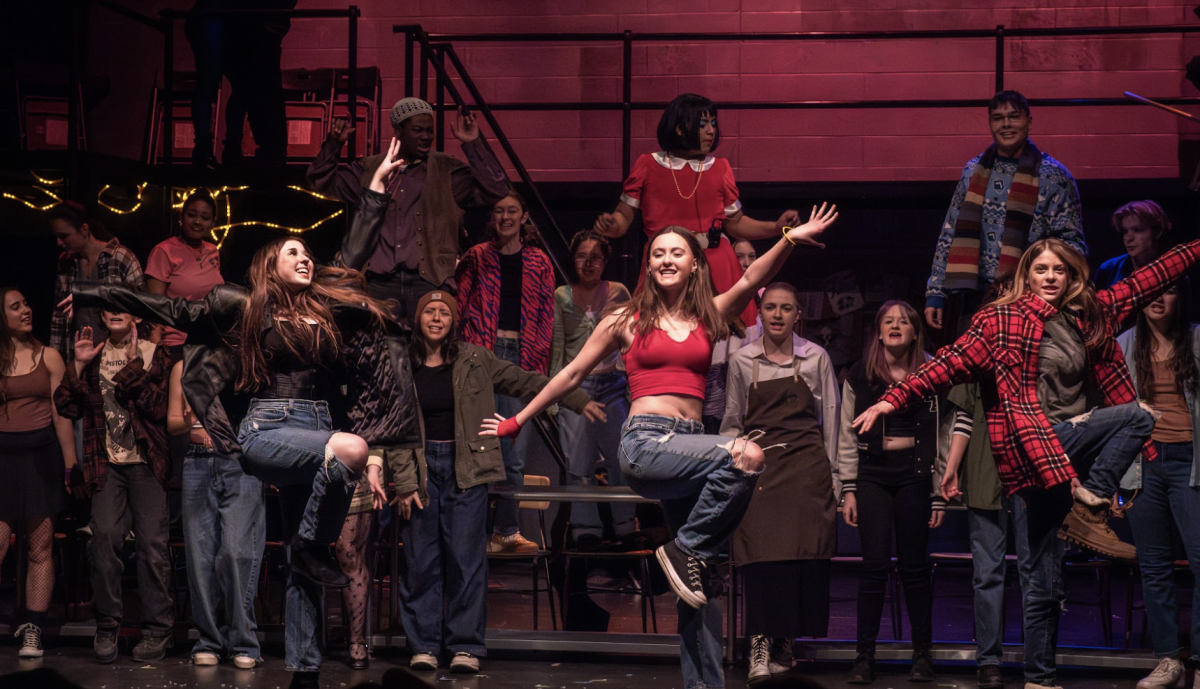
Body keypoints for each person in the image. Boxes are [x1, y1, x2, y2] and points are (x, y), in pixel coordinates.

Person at [67, 158, 418, 688]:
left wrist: (374, 189)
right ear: (268, 266)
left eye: (307, 252)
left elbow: (358, 247)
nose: (305, 258)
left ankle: (305, 669)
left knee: (305, 557)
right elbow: (166, 310)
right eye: (291, 252)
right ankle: (314, 545)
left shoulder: (323, 309)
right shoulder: (244, 307)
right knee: (351, 450)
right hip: (267, 429)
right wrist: (93, 293)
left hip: (317, 428)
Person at [484, 204, 839, 689]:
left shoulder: (708, 316)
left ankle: (703, 680)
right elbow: (571, 373)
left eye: (677, 252)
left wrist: (791, 238)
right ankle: (683, 549)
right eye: (658, 254)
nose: (667, 259)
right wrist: (518, 420)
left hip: (693, 449)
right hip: (646, 443)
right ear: (648, 265)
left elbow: (755, 273)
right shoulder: (624, 319)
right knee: (747, 454)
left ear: (694, 263)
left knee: (703, 585)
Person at [853, 236, 1200, 689]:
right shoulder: (1001, 319)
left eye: (1059, 270)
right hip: (1033, 448)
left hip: (1073, 452)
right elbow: (948, 364)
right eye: (1041, 270)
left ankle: (1040, 678)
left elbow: (1151, 277)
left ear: (1072, 275)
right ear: (1027, 276)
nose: (1051, 277)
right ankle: (1091, 498)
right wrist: (891, 401)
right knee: (1136, 415)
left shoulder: (1091, 314)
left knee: (1046, 578)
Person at [388, 291, 601, 674]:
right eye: (429, 312)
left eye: (444, 313)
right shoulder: (403, 363)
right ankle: (423, 645)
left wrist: (578, 398)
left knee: (466, 560)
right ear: (417, 319)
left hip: (466, 466)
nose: (436, 318)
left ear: (454, 321)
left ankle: (465, 646)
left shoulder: (475, 358)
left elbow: (525, 381)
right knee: (421, 560)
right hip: (419, 468)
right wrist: (403, 480)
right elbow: (395, 424)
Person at [593, 93, 803, 327]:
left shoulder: (720, 167)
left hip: (716, 264)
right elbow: (624, 216)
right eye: (703, 125)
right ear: (680, 129)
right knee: (660, 331)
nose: (711, 130)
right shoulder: (648, 164)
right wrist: (613, 224)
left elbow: (736, 223)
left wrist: (776, 227)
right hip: (667, 264)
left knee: (722, 339)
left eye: (713, 123)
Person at [721, 282, 840, 684]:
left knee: (799, 556)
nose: (777, 315)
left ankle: (784, 639)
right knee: (760, 556)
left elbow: (832, 422)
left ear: (797, 315)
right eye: (770, 307)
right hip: (761, 469)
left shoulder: (816, 358)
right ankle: (758, 642)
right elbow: (733, 422)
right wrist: (731, 471)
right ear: (759, 312)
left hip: (806, 468)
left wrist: (836, 476)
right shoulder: (741, 360)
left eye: (785, 308)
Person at [307, 99, 510, 323]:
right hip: (378, 283)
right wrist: (333, 145)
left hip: (430, 282)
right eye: (417, 130)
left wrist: (473, 143)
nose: (426, 136)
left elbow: (498, 189)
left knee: (430, 355)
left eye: (429, 131)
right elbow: (319, 182)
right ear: (398, 131)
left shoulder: (446, 169)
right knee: (381, 353)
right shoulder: (370, 168)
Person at [838, 300, 947, 684]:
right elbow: (846, 435)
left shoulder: (932, 372)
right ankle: (863, 657)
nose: (896, 325)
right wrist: (847, 488)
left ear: (915, 332)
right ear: (879, 331)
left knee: (915, 568)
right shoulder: (861, 374)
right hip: (872, 477)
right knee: (873, 568)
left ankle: (922, 655)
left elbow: (942, 433)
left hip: (914, 476)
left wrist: (938, 492)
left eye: (904, 321)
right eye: (888, 321)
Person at [54, 314, 174, 663]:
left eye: (122, 305)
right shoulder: (94, 354)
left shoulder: (156, 354)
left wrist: (134, 365)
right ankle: (107, 624)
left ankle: (157, 630)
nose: (114, 312)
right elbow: (67, 405)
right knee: (103, 537)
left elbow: (157, 408)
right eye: (108, 307)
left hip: (146, 463)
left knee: (153, 544)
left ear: (135, 312)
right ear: (104, 316)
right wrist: (77, 364)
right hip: (106, 464)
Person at [924, 90, 1085, 336]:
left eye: (1014, 117)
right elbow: (949, 232)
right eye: (998, 118)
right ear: (990, 124)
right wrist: (935, 293)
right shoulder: (972, 171)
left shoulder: (1055, 177)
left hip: (1034, 302)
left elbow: (1072, 245)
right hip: (976, 300)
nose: (1006, 124)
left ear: (1029, 122)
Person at [940, 275, 1027, 689]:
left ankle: (1039, 661)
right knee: (988, 572)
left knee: (1036, 572)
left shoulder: (1039, 345)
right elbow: (963, 416)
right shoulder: (979, 348)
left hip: (1033, 471)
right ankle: (988, 661)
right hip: (985, 468)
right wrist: (951, 467)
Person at [456, 192, 556, 553]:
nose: (505, 216)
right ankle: (472, 534)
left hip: (521, 358)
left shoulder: (538, 261)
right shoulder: (477, 257)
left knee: (512, 451)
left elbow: (547, 317)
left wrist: (537, 369)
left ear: (524, 216)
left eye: (512, 210)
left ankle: (506, 530)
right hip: (482, 355)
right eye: (499, 210)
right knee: (479, 444)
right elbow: (460, 307)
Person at [1116, 282, 1200, 689]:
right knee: (1154, 567)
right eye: (1152, 289)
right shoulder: (1125, 344)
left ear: (1180, 297)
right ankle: (1170, 660)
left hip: (1191, 463)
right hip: (1141, 465)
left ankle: (1199, 657)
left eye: (1167, 290)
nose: (1158, 297)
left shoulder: (1197, 339)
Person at [167, 358, 265, 669]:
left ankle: (243, 641)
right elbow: (173, 423)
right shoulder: (183, 367)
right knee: (201, 558)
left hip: (239, 463)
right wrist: (189, 418)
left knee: (238, 553)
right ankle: (208, 639)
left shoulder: (247, 364)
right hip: (197, 462)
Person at [0, 288, 76, 658]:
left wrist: (69, 461)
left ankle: (33, 628)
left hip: (41, 457)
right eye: (16, 307)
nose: (26, 310)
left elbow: (61, 415)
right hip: (2, 457)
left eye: (27, 303)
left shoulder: (49, 356)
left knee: (39, 547)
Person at [551, 229, 636, 549]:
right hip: (577, 387)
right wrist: (555, 397)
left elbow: (630, 340)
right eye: (581, 257)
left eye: (595, 257)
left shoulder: (618, 291)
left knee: (621, 460)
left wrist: (632, 384)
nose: (588, 263)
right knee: (578, 465)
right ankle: (585, 529)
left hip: (612, 384)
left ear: (605, 260)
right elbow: (557, 346)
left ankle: (627, 525)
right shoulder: (562, 294)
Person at [49, 201, 145, 359]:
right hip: (78, 355)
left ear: (84, 229)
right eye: (57, 237)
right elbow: (59, 317)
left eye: (64, 236)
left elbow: (141, 308)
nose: (59, 242)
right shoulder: (66, 263)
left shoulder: (120, 258)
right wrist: (58, 361)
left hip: (116, 357)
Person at [146, 189, 225, 348]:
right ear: (181, 217)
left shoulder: (213, 251)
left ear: (212, 223)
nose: (197, 221)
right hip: (177, 345)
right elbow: (155, 307)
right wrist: (155, 349)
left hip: (210, 342)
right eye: (192, 215)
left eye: (205, 218)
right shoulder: (164, 251)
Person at [335, 481, 376, 670]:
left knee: (350, 554)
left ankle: (356, 639)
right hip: (313, 466)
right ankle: (308, 642)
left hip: (355, 470)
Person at [1094, 200, 1170, 289]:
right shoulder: (1108, 269)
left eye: (1137, 230)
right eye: (1125, 231)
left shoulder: (1173, 270)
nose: (1128, 238)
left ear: (1157, 232)